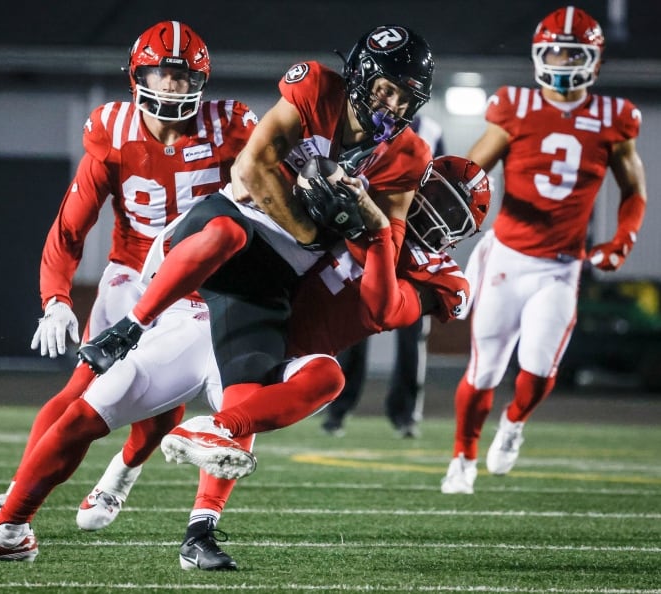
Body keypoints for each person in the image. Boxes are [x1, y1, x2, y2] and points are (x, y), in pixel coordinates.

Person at [75, 24, 437, 569]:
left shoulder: (408, 162)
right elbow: (250, 169)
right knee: (106, 396)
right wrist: (316, 231)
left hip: (276, 280)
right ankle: (22, 506)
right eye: (386, 88)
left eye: (405, 95)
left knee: (243, 400)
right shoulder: (315, 89)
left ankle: (197, 531)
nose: (393, 103)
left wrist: (369, 226)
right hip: (216, 240)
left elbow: (382, 267)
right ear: (360, 78)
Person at [0, 20, 259, 562]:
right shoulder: (113, 130)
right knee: (74, 400)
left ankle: (113, 478)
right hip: (130, 276)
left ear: (201, 81)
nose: (174, 87)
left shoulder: (231, 127)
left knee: (160, 407)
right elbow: (70, 226)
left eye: (183, 77)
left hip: (200, 290)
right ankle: (14, 507)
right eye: (163, 74)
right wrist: (55, 297)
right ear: (138, 75)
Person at [440, 5, 647, 495]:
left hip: (561, 266)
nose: (560, 59)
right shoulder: (515, 107)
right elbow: (468, 176)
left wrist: (623, 238)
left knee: (537, 368)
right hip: (508, 257)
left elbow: (633, 190)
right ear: (538, 54)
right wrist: (452, 219)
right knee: (485, 368)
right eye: (553, 50)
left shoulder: (615, 118)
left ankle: (513, 425)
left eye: (570, 52)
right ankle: (462, 459)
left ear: (593, 61)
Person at [321, 113, 447, 438]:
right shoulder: (361, 123)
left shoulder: (429, 131)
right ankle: (338, 409)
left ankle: (405, 414)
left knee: (411, 336)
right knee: (352, 328)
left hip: (410, 241)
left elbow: (441, 187)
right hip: (365, 236)